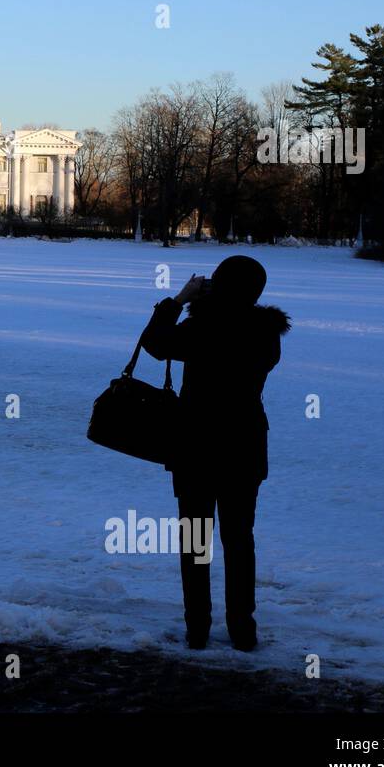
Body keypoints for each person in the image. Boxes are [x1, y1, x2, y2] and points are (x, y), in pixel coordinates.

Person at [139, 255, 290, 652]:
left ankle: (197, 627)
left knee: (195, 539)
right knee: (239, 539)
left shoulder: (200, 327)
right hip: (244, 446)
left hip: (196, 446)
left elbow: (154, 343)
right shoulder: (266, 333)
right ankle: (242, 628)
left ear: (217, 285)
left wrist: (180, 299)